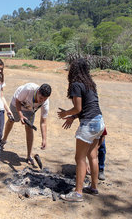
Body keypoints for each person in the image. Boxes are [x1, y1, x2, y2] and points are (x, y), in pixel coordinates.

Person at [57, 58, 105, 202]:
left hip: (89, 124)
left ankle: (78, 193)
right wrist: (73, 117)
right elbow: (87, 107)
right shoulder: (90, 84)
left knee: (80, 158)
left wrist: (66, 113)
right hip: (99, 122)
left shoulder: (76, 85)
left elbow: (78, 108)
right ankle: (94, 187)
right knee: (93, 156)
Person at [1, 83, 51, 165]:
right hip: (17, 102)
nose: (42, 101)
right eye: (41, 98)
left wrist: (44, 139)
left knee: (29, 128)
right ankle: (3, 140)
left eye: (44, 99)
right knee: (12, 120)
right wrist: (21, 116)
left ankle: (29, 156)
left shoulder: (45, 103)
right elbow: (18, 101)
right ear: (38, 92)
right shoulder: (28, 89)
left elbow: (43, 122)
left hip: (30, 109)